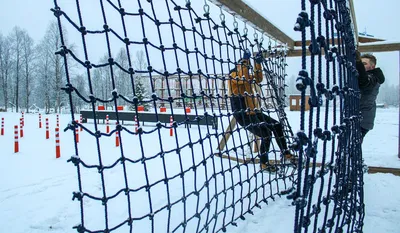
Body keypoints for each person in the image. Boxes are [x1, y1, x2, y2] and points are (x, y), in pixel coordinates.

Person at [228, 49, 293, 171]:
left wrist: (258, 64)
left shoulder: (245, 74)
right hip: (243, 114)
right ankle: (264, 163)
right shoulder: (233, 75)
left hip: (253, 111)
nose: (247, 67)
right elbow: (243, 78)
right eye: (244, 65)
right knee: (266, 134)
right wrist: (245, 61)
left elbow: (257, 79)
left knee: (277, 125)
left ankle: (286, 153)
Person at [355, 52, 385, 141]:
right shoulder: (367, 76)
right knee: (350, 146)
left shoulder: (373, 78)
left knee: (352, 146)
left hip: (363, 119)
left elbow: (364, 82)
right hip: (359, 117)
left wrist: (358, 62)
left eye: (364, 64)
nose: (362, 65)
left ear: (372, 67)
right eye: (361, 63)